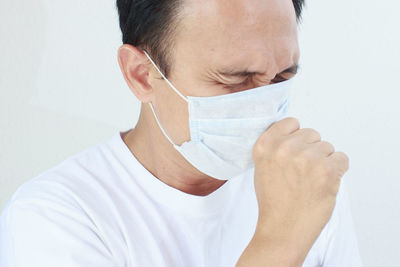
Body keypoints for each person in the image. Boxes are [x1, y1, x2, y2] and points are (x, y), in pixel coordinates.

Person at [0, 0, 363, 266]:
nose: (262, 106)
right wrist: (279, 243)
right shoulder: (56, 217)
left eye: (282, 77)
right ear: (141, 74)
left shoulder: (307, 181)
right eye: (234, 79)